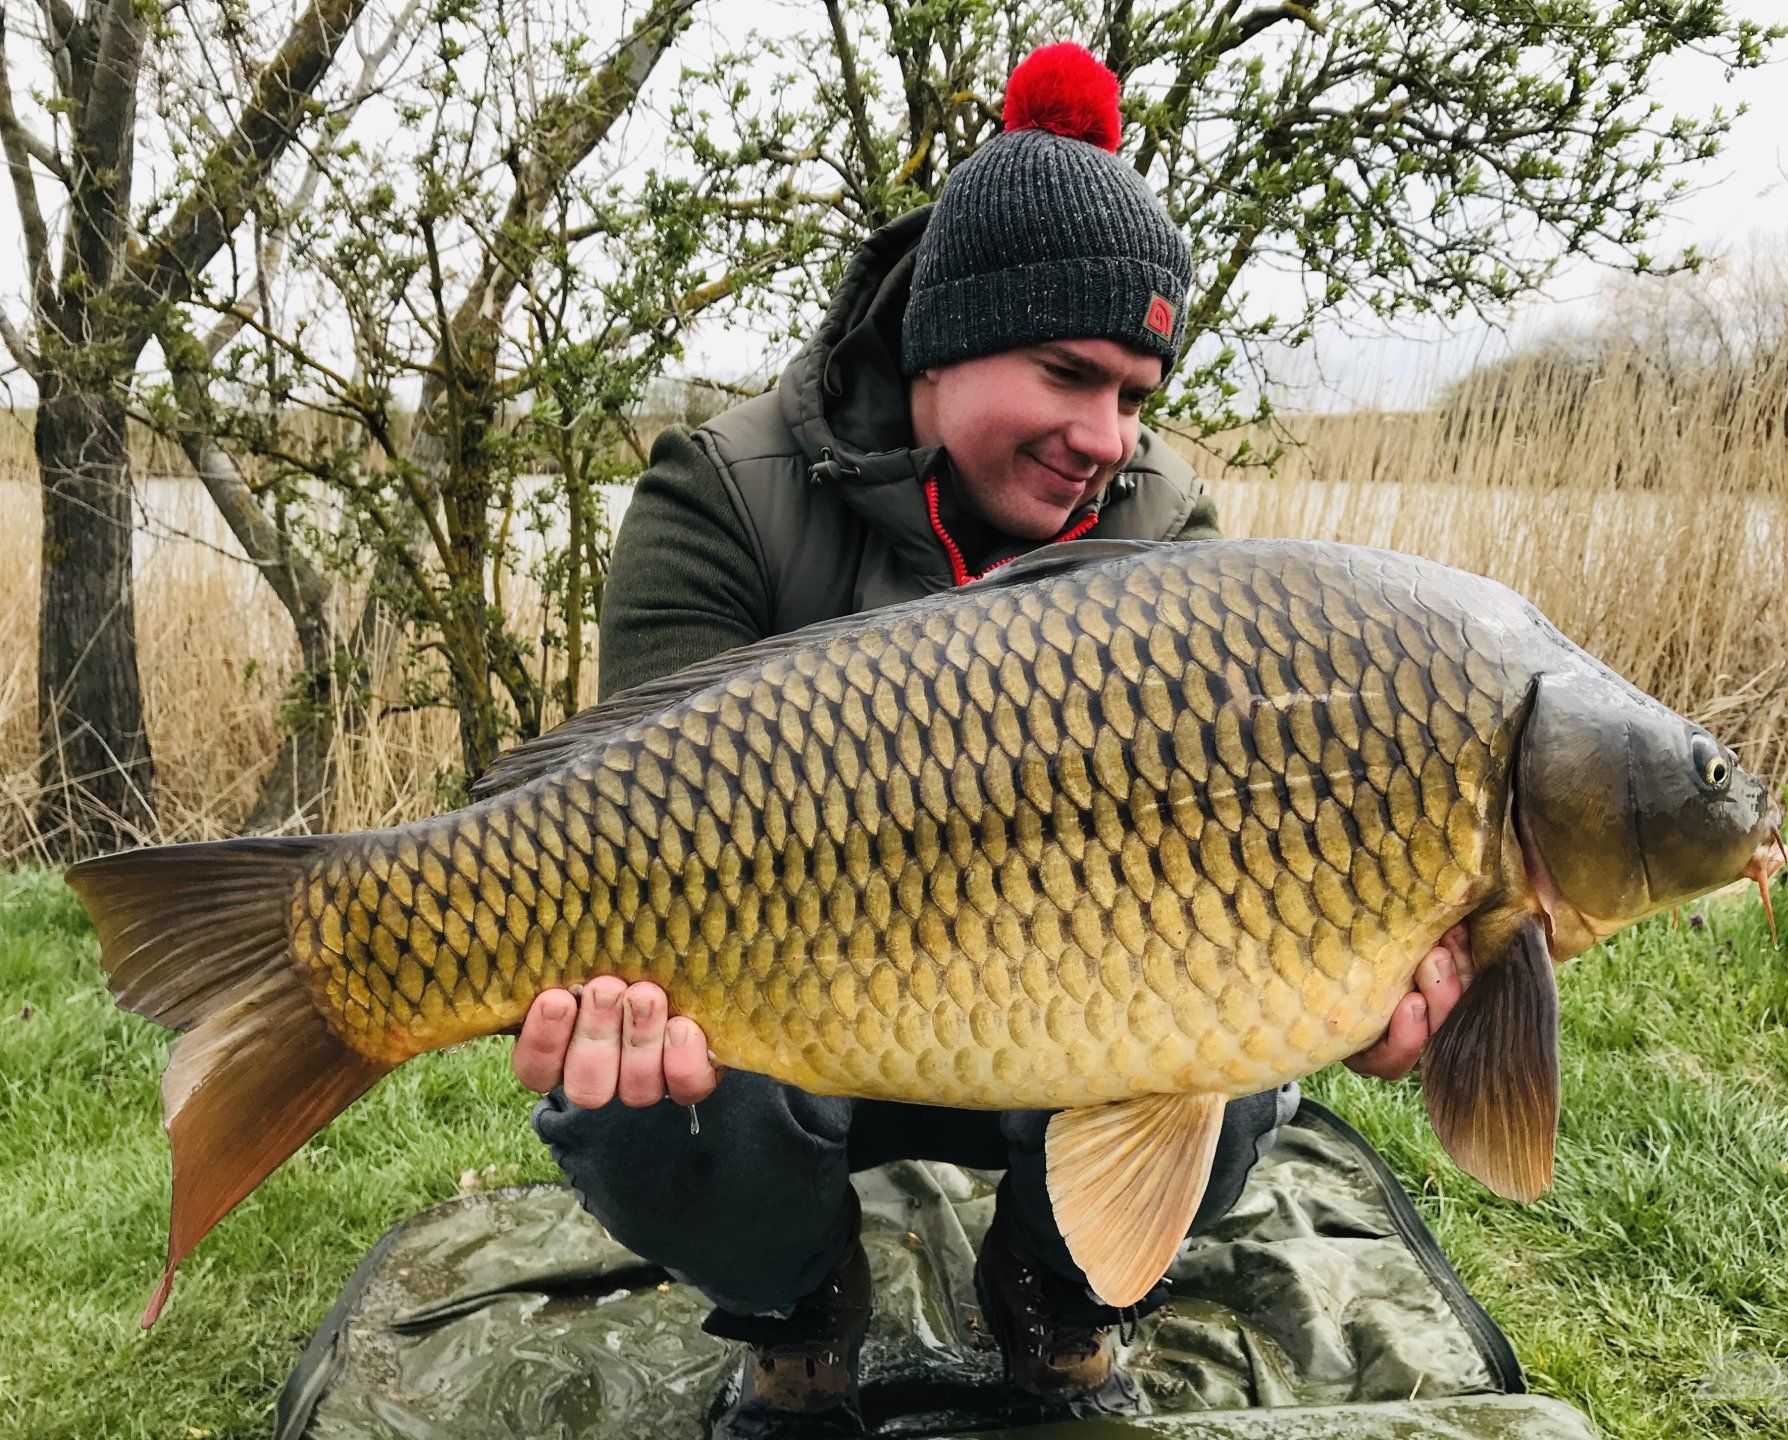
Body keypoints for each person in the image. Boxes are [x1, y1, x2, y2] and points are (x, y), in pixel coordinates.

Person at [508, 41, 1472, 1440]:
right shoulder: (725, 493)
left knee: (1245, 1047)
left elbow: (1258, 853)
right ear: (942, 340)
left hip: (1061, 1014)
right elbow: (630, 824)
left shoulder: (1165, 536)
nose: (1105, 435)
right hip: (787, 1016)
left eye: (1136, 395)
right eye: (1067, 374)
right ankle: (795, 1320)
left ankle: (1057, 1302)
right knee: (636, 1084)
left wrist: (1358, 960)